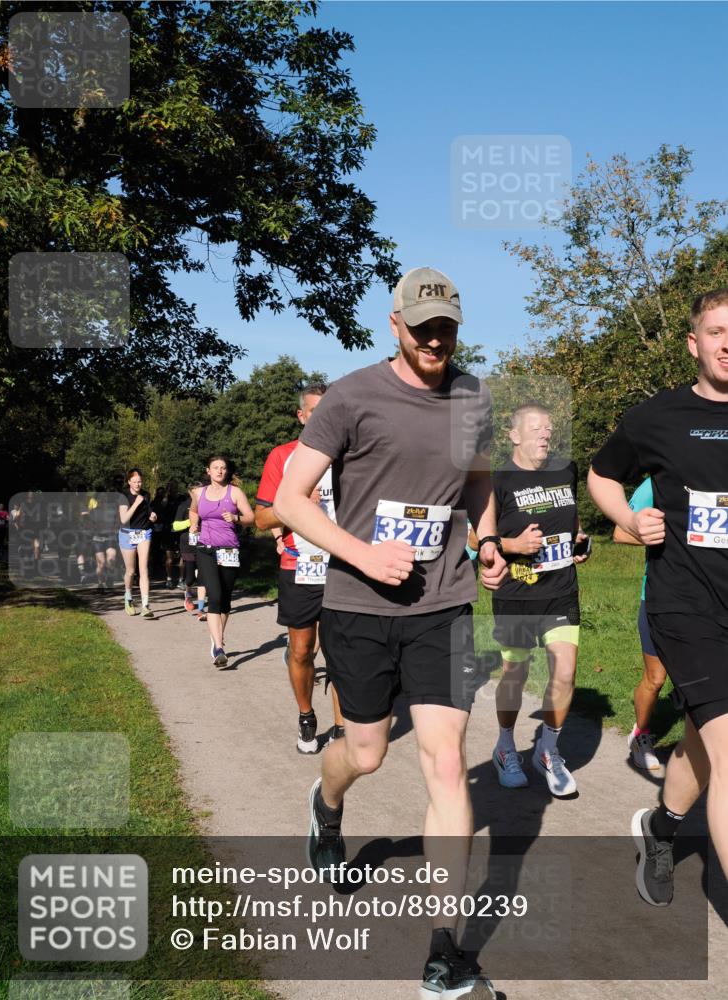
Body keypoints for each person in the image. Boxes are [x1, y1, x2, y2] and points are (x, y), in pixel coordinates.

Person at [274, 267, 506, 1000]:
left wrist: (488, 541)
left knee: (445, 766)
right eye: (423, 326)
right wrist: (363, 552)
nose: (437, 338)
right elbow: (290, 498)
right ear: (395, 324)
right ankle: (327, 801)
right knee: (366, 752)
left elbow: (476, 481)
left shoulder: (473, 396)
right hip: (359, 605)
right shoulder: (350, 396)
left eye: (447, 326)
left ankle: (446, 951)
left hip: (443, 604)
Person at [588, 288, 728, 907]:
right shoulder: (657, 417)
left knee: (707, 736)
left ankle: (661, 827)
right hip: (684, 604)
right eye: (718, 331)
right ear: (694, 343)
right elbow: (600, 473)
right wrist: (629, 517)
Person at [489, 403, 590, 796]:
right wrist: (512, 544)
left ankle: (548, 750)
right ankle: (505, 746)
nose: (545, 435)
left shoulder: (566, 470)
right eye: (536, 429)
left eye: (549, 429)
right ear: (514, 436)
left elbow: (573, 519)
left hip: (560, 590)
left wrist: (580, 540)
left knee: (564, 672)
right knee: (515, 675)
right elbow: (473, 534)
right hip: (517, 593)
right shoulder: (497, 480)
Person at [256, 384, 345, 755]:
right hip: (300, 565)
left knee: (343, 650)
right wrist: (292, 506)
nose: (321, 418)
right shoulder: (283, 456)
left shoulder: (349, 456)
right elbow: (261, 518)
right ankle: (307, 715)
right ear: (301, 416)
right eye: (314, 411)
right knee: (302, 650)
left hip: (343, 565)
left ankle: (343, 727)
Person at [612, 477, 667, 770]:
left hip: (712, 599)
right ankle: (640, 735)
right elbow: (621, 533)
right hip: (661, 596)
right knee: (656, 678)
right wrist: (671, 537)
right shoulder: (656, 483)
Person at [190, 455, 254, 666]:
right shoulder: (198, 493)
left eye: (223, 468)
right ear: (208, 470)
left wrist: (236, 518)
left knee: (225, 599)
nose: (219, 471)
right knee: (215, 595)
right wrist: (193, 525)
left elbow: (251, 518)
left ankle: (216, 637)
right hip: (206, 549)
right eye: (215, 467)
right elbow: (193, 510)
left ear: (226, 471)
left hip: (229, 549)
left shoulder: (235, 492)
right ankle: (219, 647)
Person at [118, 468, 158, 618]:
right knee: (131, 571)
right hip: (127, 534)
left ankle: (146, 606)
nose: (137, 484)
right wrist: (136, 503)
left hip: (144, 533)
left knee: (143, 569)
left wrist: (152, 516)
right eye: (134, 482)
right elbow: (124, 519)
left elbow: (148, 512)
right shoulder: (123, 496)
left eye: (140, 481)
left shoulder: (146, 494)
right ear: (129, 482)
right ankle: (128, 597)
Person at [172, 481, 207, 620]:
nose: (199, 493)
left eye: (201, 490)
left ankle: (200, 608)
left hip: (204, 542)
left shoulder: (206, 504)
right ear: (190, 492)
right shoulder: (183, 506)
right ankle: (187, 593)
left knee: (203, 576)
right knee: (191, 577)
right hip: (188, 544)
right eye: (196, 491)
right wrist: (191, 523)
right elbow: (175, 525)